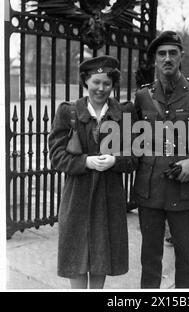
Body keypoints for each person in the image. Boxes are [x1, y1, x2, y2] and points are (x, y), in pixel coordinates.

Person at [133, 31, 189, 288]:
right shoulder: (142, 96)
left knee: (185, 256)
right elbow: (134, 137)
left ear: (181, 56)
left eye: (173, 53)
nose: (167, 58)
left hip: (185, 189)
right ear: (154, 60)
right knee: (150, 258)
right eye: (162, 54)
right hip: (150, 190)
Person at [48, 55, 137, 289]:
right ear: (85, 82)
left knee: (101, 257)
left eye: (107, 83)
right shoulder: (68, 112)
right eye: (96, 82)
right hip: (77, 196)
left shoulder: (124, 113)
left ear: (113, 85)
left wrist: (115, 161)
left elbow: (137, 156)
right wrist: (85, 162)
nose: (101, 88)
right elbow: (56, 156)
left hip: (109, 197)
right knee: (75, 256)